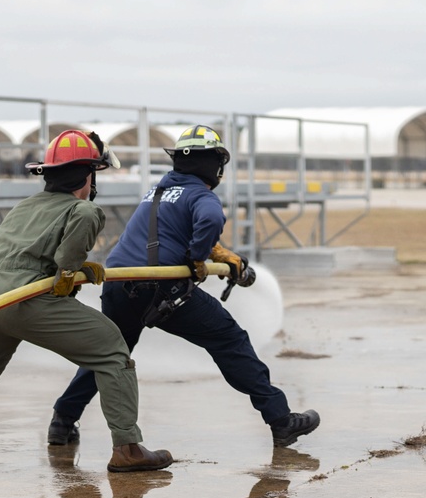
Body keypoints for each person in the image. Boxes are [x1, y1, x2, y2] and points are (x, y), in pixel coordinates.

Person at [0, 130, 172, 474]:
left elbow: (18, 255)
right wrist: (71, 268)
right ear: (87, 175)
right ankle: (128, 447)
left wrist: (73, 269)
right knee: (113, 351)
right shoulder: (83, 209)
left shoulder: (22, 208)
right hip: (26, 299)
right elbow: (72, 240)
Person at [47, 124, 319, 448]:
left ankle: (63, 421)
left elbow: (171, 231)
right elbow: (210, 220)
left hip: (119, 285)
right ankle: (281, 419)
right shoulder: (201, 196)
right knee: (230, 341)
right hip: (161, 288)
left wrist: (213, 251)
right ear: (214, 164)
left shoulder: (158, 191)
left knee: (109, 355)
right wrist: (197, 258)